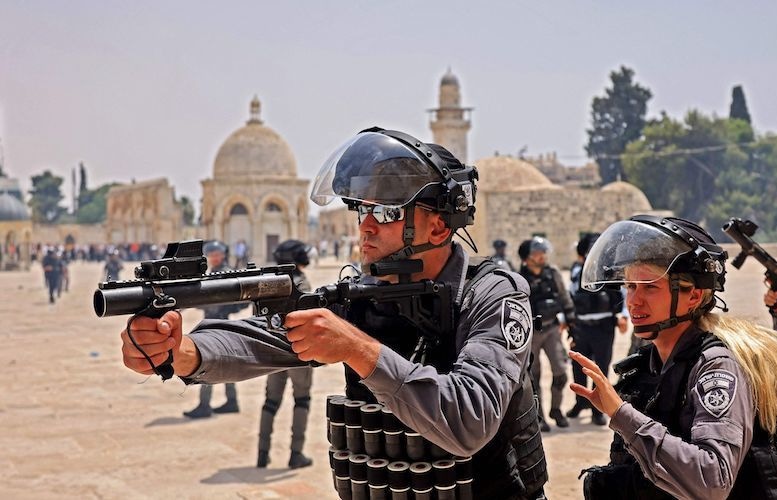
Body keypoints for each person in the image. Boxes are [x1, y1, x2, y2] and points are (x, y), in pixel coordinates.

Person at [120, 127, 548, 498]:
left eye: (386, 211)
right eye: (362, 209)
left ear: (438, 225)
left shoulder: (494, 295)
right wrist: (182, 352)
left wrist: (357, 348)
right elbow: (264, 337)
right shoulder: (361, 296)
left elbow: (469, 420)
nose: (366, 226)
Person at [571, 215, 777, 499]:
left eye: (650, 286)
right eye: (630, 286)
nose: (633, 301)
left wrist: (621, 414)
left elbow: (713, 480)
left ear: (693, 296)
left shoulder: (716, 367)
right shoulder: (650, 363)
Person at [257, 239, 315, 469]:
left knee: (271, 401)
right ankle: (296, 454)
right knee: (302, 400)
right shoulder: (301, 283)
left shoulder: (271, 283)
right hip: (297, 352)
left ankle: (262, 453)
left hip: (273, 351)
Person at [566, 232, 628, 425]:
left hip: (604, 326)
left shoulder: (610, 272)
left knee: (600, 368)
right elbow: (569, 294)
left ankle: (597, 409)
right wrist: (566, 319)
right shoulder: (577, 271)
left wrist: (624, 315)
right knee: (578, 366)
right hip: (581, 325)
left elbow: (623, 293)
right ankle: (580, 402)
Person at [183, 240, 245, 419]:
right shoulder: (216, 272)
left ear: (222, 254)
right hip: (217, 321)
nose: (213, 257)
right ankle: (232, 401)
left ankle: (204, 405)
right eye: (211, 254)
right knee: (226, 364)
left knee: (208, 364)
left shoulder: (223, 273)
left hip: (218, 322)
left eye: (216, 254)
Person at [518, 236, 575, 431]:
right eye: (536, 253)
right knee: (533, 376)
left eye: (543, 253)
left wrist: (572, 324)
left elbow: (565, 298)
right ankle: (539, 414)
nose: (541, 256)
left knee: (560, 372)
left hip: (552, 330)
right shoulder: (520, 279)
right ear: (526, 258)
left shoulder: (553, 274)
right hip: (531, 333)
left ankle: (556, 410)